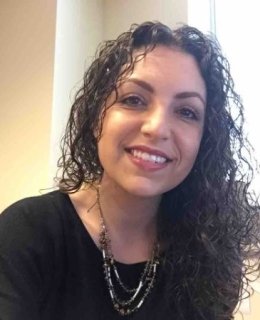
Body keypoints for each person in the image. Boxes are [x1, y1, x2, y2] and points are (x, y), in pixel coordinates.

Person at [0, 21, 259, 320]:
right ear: (98, 116)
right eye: (133, 100)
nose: (157, 128)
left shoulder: (211, 256)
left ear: (205, 139)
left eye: (186, 112)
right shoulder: (27, 234)